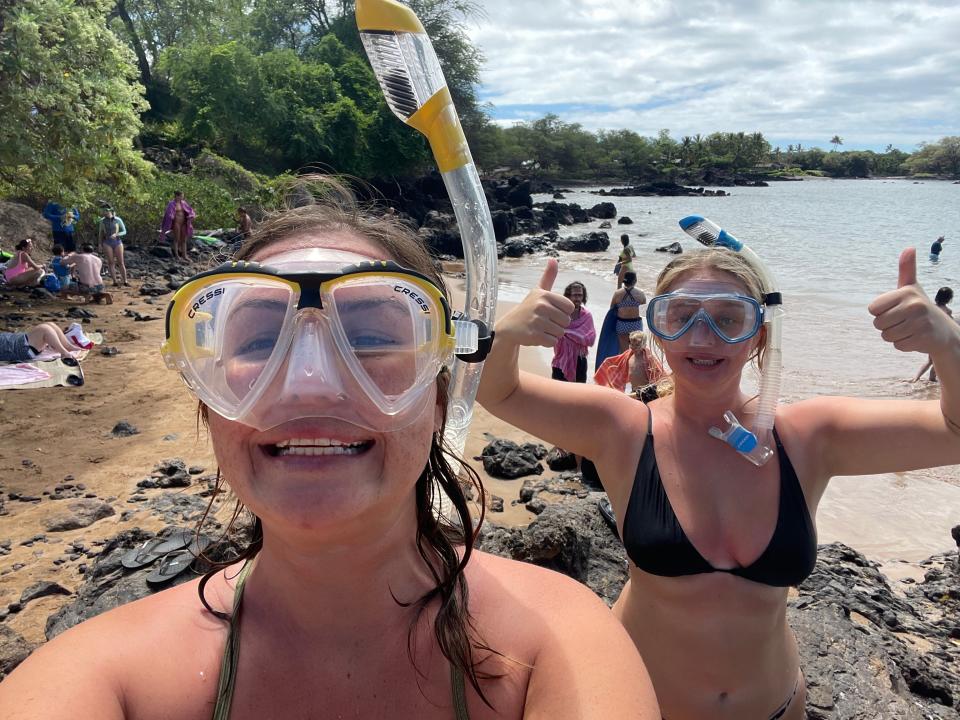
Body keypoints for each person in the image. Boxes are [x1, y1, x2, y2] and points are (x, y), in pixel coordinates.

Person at [0, 179, 659, 720]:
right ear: (208, 404)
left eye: (371, 335)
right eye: (259, 342)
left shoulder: (556, 645)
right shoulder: (109, 681)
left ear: (437, 399)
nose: (310, 385)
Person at [477, 245, 960, 719]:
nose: (701, 336)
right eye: (680, 316)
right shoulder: (621, 428)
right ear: (658, 330)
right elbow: (498, 390)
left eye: (729, 319)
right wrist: (507, 335)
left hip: (774, 708)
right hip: (639, 704)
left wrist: (948, 343)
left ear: (760, 335)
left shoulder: (809, 436)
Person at [594, 331, 665, 402]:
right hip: (634, 390)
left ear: (644, 345)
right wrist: (607, 364)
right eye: (632, 344)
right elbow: (616, 363)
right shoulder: (628, 356)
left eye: (637, 345)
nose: (634, 347)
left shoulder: (648, 358)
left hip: (646, 392)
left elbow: (658, 373)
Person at [551, 281, 595, 383]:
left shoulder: (586, 316)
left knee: (579, 394)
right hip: (560, 360)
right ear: (568, 296)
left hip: (580, 360)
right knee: (558, 393)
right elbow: (552, 332)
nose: (578, 299)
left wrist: (567, 333)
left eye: (580, 295)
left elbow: (590, 339)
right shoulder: (560, 314)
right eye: (575, 295)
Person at [914, 286, 954, 382]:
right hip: (941, 338)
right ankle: (932, 378)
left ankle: (916, 378)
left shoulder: (931, 307)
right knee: (939, 360)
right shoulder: (948, 311)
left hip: (930, 337)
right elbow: (950, 325)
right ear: (949, 299)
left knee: (930, 361)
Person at [0, 322, 87, 362]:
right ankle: (64, 353)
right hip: (20, 348)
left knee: (50, 325)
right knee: (44, 329)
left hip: (18, 342)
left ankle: (68, 346)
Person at [610, 271, 646, 353]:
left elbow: (612, 309)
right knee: (636, 351)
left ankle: (625, 364)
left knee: (624, 352)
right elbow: (644, 313)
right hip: (636, 324)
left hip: (622, 324)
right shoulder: (641, 294)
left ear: (624, 281)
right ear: (635, 280)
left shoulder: (617, 293)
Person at [161, 190, 196, 262]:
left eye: (182, 196)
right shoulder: (171, 204)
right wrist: (171, 216)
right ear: (177, 196)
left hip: (183, 223)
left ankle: (184, 256)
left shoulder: (183, 203)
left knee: (184, 240)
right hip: (176, 223)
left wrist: (191, 215)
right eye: (181, 196)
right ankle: (176, 256)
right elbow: (168, 213)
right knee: (176, 239)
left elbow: (190, 210)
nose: (182, 197)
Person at [98, 207, 128, 286]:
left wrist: (117, 234)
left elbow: (124, 231)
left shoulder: (118, 219)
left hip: (117, 241)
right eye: (104, 211)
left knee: (121, 262)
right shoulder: (102, 221)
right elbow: (100, 233)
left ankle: (125, 281)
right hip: (107, 242)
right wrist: (100, 244)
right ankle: (114, 281)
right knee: (111, 262)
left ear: (110, 211)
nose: (105, 212)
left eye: (106, 211)